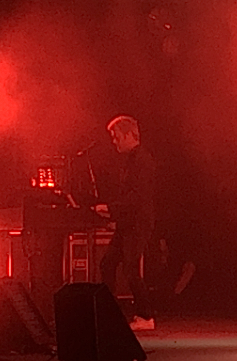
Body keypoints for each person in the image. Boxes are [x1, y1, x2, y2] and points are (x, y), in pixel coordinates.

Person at [99, 115, 156, 330]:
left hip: (137, 223)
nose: (114, 142)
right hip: (128, 223)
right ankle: (109, 312)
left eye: (116, 137)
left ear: (128, 135)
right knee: (108, 263)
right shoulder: (134, 160)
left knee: (131, 268)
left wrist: (111, 209)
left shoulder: (142, 160)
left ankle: (146, 316)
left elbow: (137, 198)